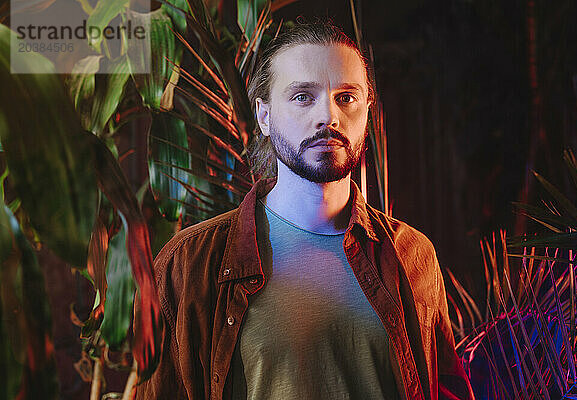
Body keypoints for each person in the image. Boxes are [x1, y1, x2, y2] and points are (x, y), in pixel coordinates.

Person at [136, 21, 475, 400]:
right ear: (264, 116)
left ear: (368, 111)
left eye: (346, 97)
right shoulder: (189, 264)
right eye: (302, 96)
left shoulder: (411, 254)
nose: (327, 117)